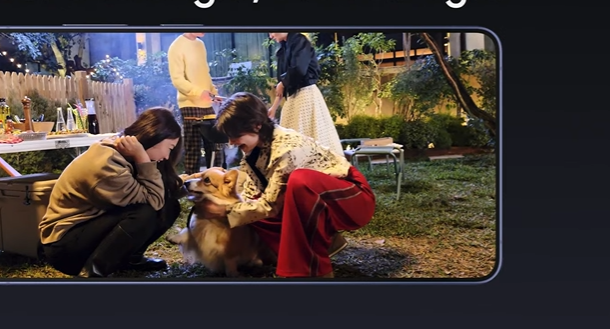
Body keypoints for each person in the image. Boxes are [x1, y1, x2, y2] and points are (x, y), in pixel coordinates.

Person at [203, 92, 376, 278]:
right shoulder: (255, 151)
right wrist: (228, 208)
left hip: (353, 198)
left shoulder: (287, 148)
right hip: (319, 200)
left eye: (235, 135)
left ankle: (314, 271)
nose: (231, 142)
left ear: (256, 125)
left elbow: (270, 205)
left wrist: (226, 210)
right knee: (250, 210)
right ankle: (321, 244)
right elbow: (252, 196)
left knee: (298, 182)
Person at [38, 107, 184, 277]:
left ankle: (131, 259)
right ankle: (94, 273)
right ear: (154, 136)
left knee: (170, 205)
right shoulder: (108, 164)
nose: (167, 156)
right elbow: (154, 200)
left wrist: (197, 181)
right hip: (64, 246)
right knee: (145, 211)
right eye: (170, 148)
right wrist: (143, 159)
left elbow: (162, 194)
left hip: (89, 228)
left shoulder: (125, 154)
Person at [267, 32, 344, 157]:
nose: (271, 36)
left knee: (311, 137)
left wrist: (284, 82)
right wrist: (274, 108)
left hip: (306, 95)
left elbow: (299, 69)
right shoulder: (283, 49)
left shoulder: (299, 41)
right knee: (293, 141)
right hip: (292, 99)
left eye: (271, 31)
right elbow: (281, 85)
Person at [167, 32, 224, 174]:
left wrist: (213, 94)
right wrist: (198, 92)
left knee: (215, 145)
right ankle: (191, 182)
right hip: (189, 103)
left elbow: (205, 73)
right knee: (193, 149)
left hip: (207, 103)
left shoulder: (200, 44)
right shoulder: (176, 46)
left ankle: (217, 180)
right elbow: (177, 80)